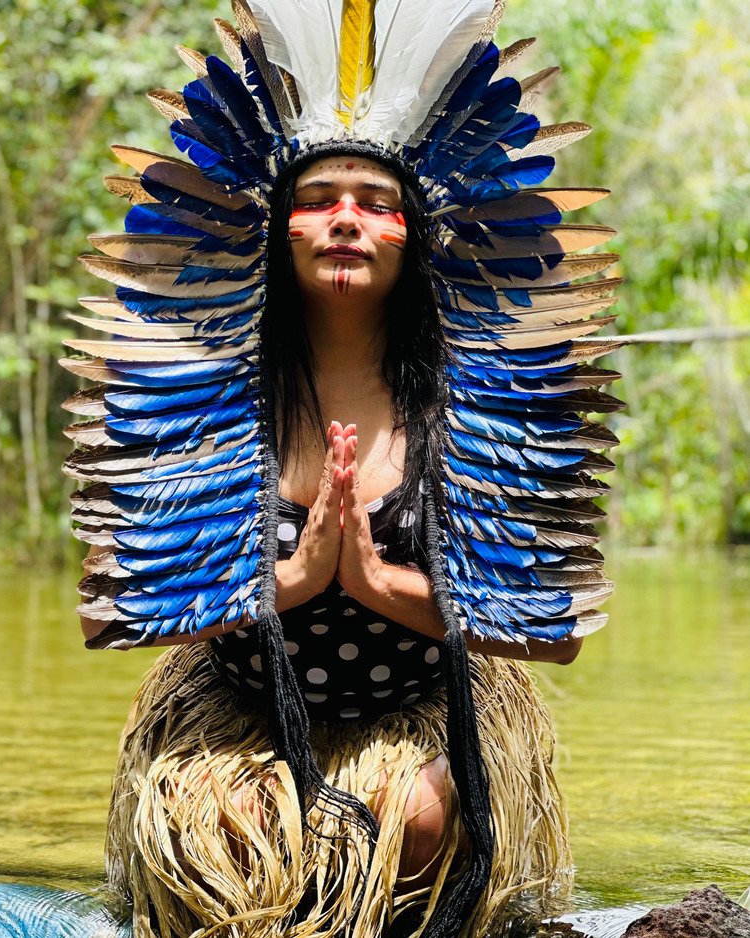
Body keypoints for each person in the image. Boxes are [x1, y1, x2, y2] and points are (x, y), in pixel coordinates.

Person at [63, 2, 620, 936]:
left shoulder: (469, 399)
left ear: (417, 233)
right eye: (319, 201)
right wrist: (291, 582)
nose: (347, 221)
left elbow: (556, 639)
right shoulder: (211, 390)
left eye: (377, 203)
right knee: (230, 831)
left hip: (422, 703)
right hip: (237, 703)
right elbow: (101, 617)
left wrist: (373, 581)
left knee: (418, 822)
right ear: (277, 230)